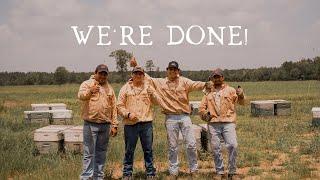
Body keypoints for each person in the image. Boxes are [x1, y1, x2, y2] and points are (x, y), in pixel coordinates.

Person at [130, 58, 210, 178]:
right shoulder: (161, 82)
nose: (172, 71)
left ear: (178, 70)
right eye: (170, 69)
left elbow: (195, 84)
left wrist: (205, 84)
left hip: (184, 116)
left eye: (175, 69)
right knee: (173, 146)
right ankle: (173, 172)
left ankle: (194, 170)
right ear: (167, 70)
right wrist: (136, 65)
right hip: (170, 117)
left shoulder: (184, 81)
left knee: (191, 144)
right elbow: (147, 78)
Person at [117, 66, 166, 180]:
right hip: (130, 124)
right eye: (136, 73)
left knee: (148, 149)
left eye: (140, 74)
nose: (138, 76)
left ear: (144, 76)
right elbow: (119, 106)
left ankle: (150, 172)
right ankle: (127, 173)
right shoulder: (125, 88)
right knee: (129, 149)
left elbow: (158, 101)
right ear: (132, 75)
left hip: (146, 123)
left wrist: (153, 93)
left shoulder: (148, 87)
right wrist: (128, 114)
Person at [199, 68, 245, 179]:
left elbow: (241, 102)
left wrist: (242, 94)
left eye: (219, 76)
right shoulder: (208, 92)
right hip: (213, 123)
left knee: (233, 145)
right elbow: (201, 108)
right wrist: (205, 115)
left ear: (223, 78)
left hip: (228, 122)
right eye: (215, 77)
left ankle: (232, 172)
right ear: (212, 79)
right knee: (215, 148)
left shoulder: (230, 90)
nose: (217, 79)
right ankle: (219, 172)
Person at [78, 64, 118, 180]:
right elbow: (80, 96)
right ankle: (86, 177)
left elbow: (114, 107)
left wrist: (114, 125)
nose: (103, 76)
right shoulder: (87, 84)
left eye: (105, 74)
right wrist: (90, 91)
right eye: (101, 73)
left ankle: (98, 176)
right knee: (89, 153)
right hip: (90, 124)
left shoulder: (109, 88)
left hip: (105, 125)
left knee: (101, 152)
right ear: (95, 73)